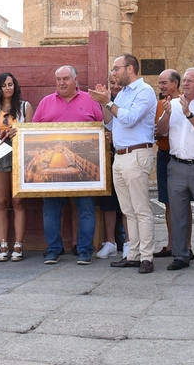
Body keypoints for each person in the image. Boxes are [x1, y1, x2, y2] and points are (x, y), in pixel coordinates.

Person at [90, 53, 158, 274]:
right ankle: (133, 254)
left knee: (141, 209)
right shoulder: (122, 94)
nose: (113, 73)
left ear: (130, 69)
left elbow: (129, 119)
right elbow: (110, 125)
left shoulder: (145, 91)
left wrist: (108, 101)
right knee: (128, 210)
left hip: (137, 154)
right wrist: (104, 104)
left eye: (116, 68)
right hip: (120, 155)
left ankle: (146, 257)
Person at [34, 65, 104, 264]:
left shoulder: (90, 100)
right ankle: (53, 249)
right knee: (51, 210)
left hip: (85, 171)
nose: (62, 83)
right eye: (58, 79)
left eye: (65, 79)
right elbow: (32, 131)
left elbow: (102, 126)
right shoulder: (45, 102)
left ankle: (84, 250)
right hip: (52, 173)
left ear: (75, 79)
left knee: (87, 210)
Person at [155, 68, 194, 272]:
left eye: (191, 81)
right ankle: (180, 255)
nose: (187, 84)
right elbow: (161, 131)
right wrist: (167, 114)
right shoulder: (172, 104)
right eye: (186, 81)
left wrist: (188, 114)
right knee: (178, 213)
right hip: (176, 165)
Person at [0, 72, 34, 262]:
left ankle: (18, 245)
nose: (8, 88)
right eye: (4, 85)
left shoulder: (24, 106)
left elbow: (33, 133)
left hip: (20, 155)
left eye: (10, 84)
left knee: (18, 201)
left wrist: (19, 132)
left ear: (15, 86)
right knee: (1, 201)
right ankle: (3, 244)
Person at [95, 76, 127, 259]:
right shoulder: (105, 100)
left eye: (118, 83)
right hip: (107, 157)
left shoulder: (130, 100)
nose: (115, 87)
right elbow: (106, 124)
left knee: (126, 203)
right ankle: (110, 242)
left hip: (126, 154)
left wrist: (116, 136)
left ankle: (129, 241)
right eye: (112, 83)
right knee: (108, 202)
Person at [153, 69, 181, 258]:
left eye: (164, 83)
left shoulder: (185, 103)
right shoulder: (160, 105)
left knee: (183, 203)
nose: (161, 86)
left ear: (175, 83)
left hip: (180, 157)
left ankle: (184, 245)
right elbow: (157, 132)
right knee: (168, 203)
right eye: (160, 83)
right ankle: (171, 244)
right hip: (164, 155)